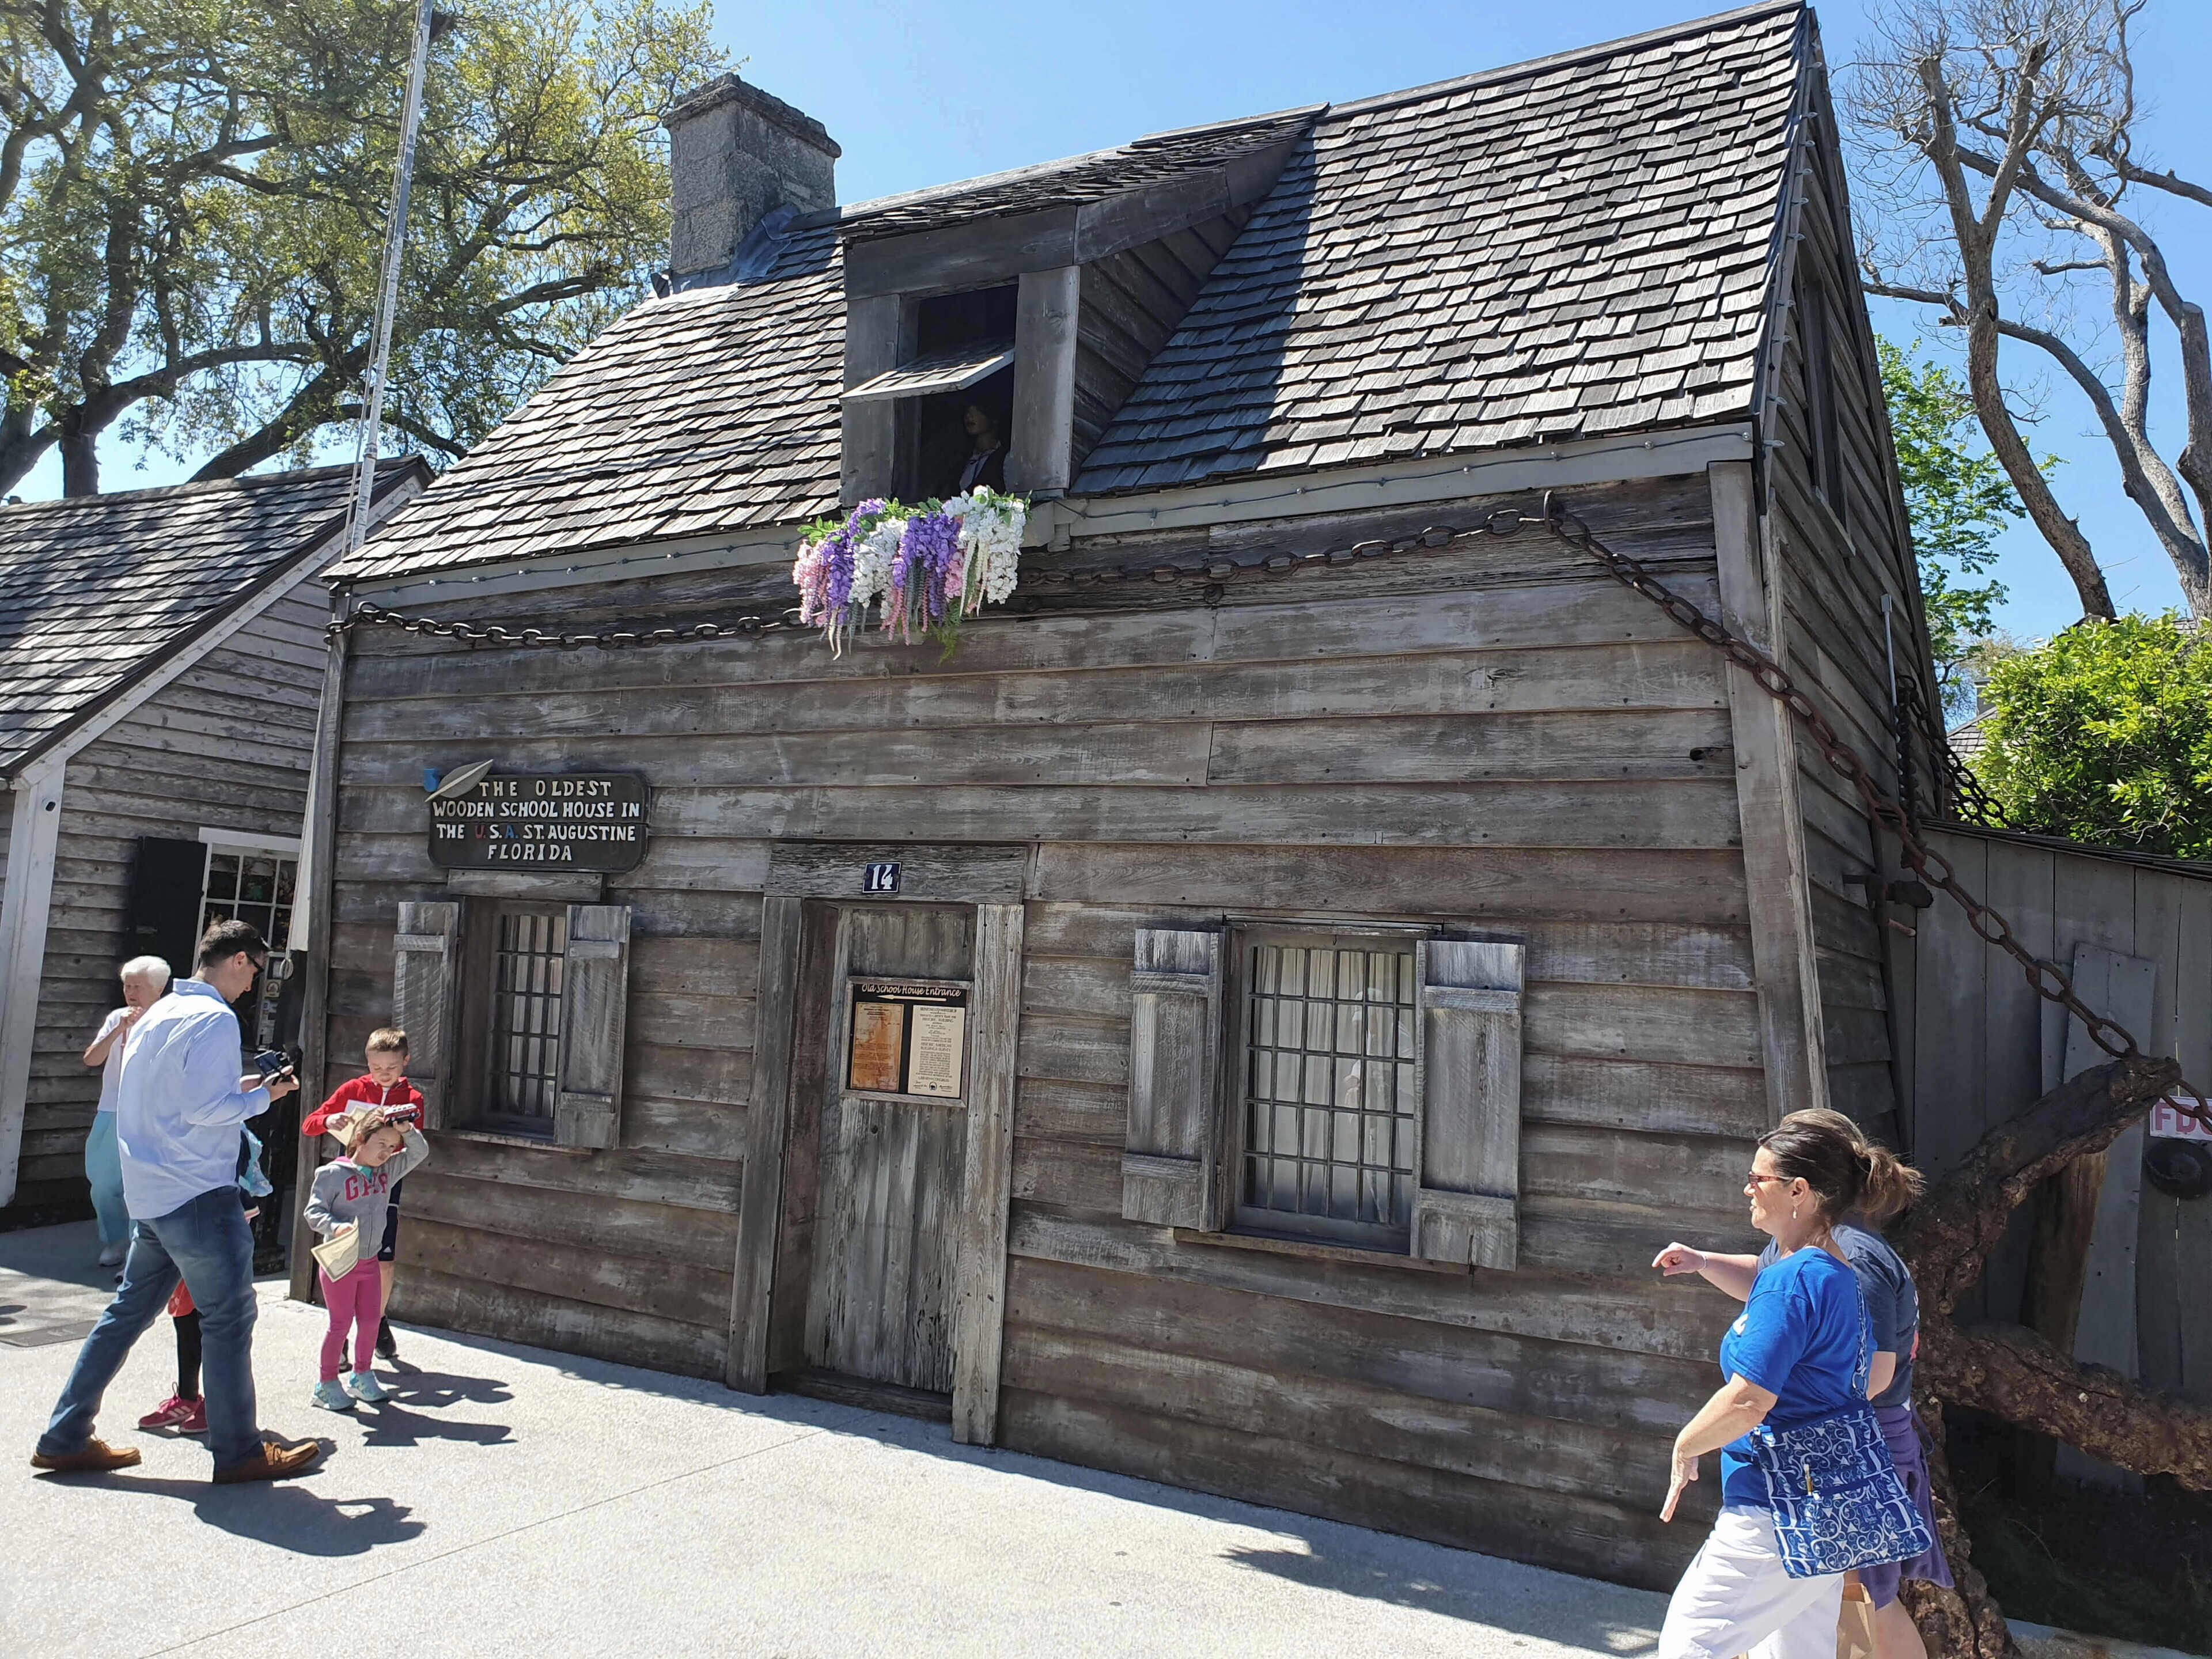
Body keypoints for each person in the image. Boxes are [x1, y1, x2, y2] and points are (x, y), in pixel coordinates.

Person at [31, 919, 320, 1484]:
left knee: (124, 1317)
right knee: (228, 1320)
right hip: (198, 1193)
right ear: (239, 960)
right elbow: (206, 1111)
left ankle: (64, 1436)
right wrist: (264, 1096)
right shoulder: (215, 1019)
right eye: (256, 971)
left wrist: (252, 1090)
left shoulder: (157, 1013)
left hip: (153, 1193)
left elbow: (176, 1101)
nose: (253, 985)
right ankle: (238, 1452)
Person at [1654, 1109, 1950, 1659]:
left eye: (1757, 1177)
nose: (1747, 1187)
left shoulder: (1796, 1282)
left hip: (1775, 1504)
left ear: (1799, 1191)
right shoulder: (1833, 1271)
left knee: (1688, 1647)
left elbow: (1749, 1399)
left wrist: (1686, 1445)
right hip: (1819, 1504)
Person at [301, 1028, 424, 1361]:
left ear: (406, 1061)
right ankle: (339, 1332)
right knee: (343, 1256)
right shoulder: (353, 1089)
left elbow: (415, 1144)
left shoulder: (412, 1097)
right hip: (348, 1182)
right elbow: (310, 1124)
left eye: (392, 1067)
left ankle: (378, 1320)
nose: (384, 1074)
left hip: (385, 1181)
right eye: (376, 1067)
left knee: (383, 1260)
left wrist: (400, 1130)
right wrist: (330, 1120)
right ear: (367, 1062)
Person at [139, 1126, 271, 1435]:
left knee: (217, 1325)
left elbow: (236, 1187)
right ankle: (188, 1397)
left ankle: (218, 1406)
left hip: (212, 1232)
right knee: (184, 1317)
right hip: (179, 1228)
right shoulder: (175, 1125)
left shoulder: (228, 1131)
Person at [303, 1105, 429, 1411]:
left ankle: (362, 1375)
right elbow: (313, 1212)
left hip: (370, 1262)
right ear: (360, 1139)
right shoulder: (331, 1174)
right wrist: (335, 1226)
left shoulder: (388, 1171)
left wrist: (406, 1130)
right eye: (381, 1144)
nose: (386, 1152)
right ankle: (326, 1384)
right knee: (340, 1324)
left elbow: (420, 1152)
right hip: (340, 1263)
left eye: (392, 1146)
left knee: (371, 1321)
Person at [81, 957, 172, 1267]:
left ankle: (138, 1252)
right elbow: (92, 1059)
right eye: (127, 986)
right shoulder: (116, 1018)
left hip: (150, 1116)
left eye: (137, 987)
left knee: (141, 1186)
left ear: (158, 989)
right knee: (104, 1184)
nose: (130, 993)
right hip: (113, 1110)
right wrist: (119, 1029)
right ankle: (114, 1240)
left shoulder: (170, 1020)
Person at [954, 400, 1006, 494]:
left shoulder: (1005, 458)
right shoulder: (961, 461)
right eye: (967, 411)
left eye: (978, 410)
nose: (969, 416)